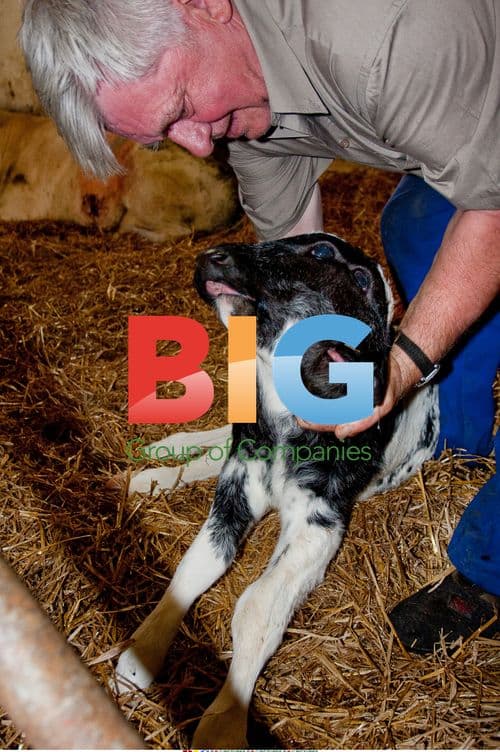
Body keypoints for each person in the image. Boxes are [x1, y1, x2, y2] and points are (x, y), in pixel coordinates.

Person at [19, 0, 499, 653]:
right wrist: (292, 379)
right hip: (477, 119)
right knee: (413, 228)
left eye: (181, 106)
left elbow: (494, 210)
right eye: (164, 139)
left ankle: (487, 567)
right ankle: (455, 430)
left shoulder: (385, 33)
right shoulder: (235, 112)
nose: (198, 143)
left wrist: (405, 360)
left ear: (204, 6)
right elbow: (293, 266)